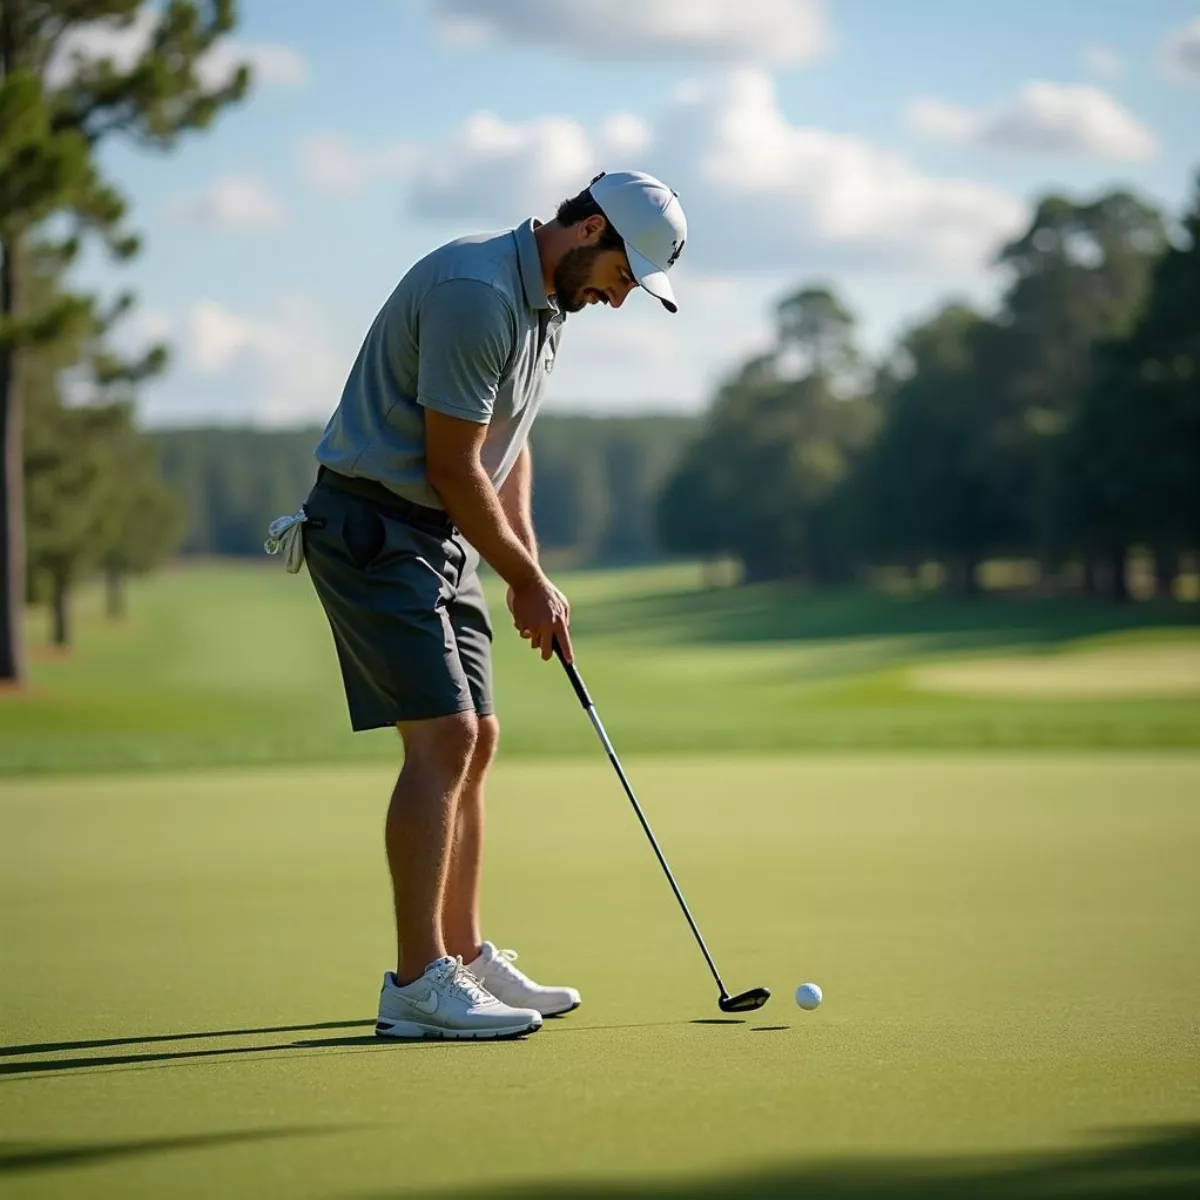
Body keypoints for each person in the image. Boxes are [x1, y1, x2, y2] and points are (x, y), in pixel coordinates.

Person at [298, 171, 688, 1040]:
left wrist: (530, 569)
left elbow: (506, 450)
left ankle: (464, 956)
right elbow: (451, 463)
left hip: (441, 534)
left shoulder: (547, 307)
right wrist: (524, 580)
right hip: (374, 524)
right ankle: (416, 984)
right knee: (445, 737)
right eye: (623, 278)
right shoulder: (478, 291)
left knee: (478, 738)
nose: (619, 301)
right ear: (590, 228)